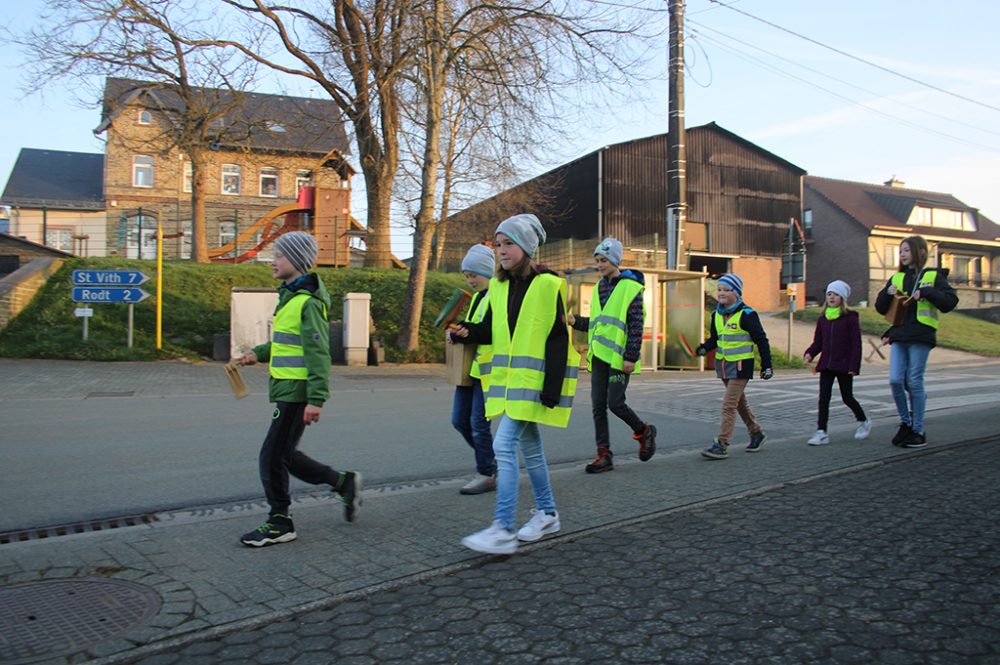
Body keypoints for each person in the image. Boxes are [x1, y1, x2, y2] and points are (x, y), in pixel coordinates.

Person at [450, 213, 580, 554]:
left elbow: (556, 337)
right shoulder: (499, 286)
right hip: (510, 384)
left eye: (509, 244)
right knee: (531, 450)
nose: (502, 250)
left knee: (503, 447)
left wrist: (551, 387)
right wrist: (468, 332)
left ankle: (503, 528)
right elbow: (492, 328)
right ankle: (548, 513)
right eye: (499, 244)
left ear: (527, 247)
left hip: (534, 384)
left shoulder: (549, 284)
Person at [237, 231, 361, 547]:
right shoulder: (290, 298)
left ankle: (280, 521)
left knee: (271, 456)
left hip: (298, 392)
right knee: (284, 455)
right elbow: (285, 343)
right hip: (286, 389)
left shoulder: (307, 302)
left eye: (279, 255)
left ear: (297, 260)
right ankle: (343, 482)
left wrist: (316, 399)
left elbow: (318, 353)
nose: (273, 261)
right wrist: (258, 353)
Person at [567, 237, 656, 473]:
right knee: (598, 406)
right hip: (598, 358)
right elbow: (598, 323)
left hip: (618, 360)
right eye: (597, 260)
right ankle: (603, 455)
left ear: (615, 260)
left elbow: (636, 325)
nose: (599, 264)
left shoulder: (630, 288)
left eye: (603, 260)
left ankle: (644, 431)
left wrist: (631, 357)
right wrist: (576, 322)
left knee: (615, 403)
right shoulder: (599, 287)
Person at [874, 235, 957, 448]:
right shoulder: (897, 278)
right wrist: (887, 293)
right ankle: (906, 422)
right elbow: (881, 307)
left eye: (906, 250)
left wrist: (927, 292)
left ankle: (918, 430)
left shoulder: (932, 276)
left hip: (921, 335)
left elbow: (949, 302)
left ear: (920, 252)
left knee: (913, 380)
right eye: (900, 251)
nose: (901, 254)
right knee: (895, 380)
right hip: (900, 336)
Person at [695, 273, 773, 460]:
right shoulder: (716, 315)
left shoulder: (747, 315)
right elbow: (716, 338)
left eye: (726, 290)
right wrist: (705, 348)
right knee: (739, 403)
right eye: (719, 289)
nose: (721, 293)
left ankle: (722, 444)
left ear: (736, 293)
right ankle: (756, 433)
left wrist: (767, 365)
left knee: (728, 405)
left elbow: (761, 340)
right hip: (723, 366)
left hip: (741, 366)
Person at [451, 244, 497, 494]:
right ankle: (490, 462)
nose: (469, 280)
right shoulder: (480, 297)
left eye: (473, 275)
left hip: (489, 371)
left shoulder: (497, 295)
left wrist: (464, 334)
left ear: (487, 272)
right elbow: (474, 326)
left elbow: (490, 330)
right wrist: (459, 330)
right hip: (472, 370)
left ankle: (487, 472)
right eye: (467, 275)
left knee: (478, 423)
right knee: (459, 420)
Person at [802, 280, 870, 445]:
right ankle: (822, 432)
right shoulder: (823, 319)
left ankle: (864, 421)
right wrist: (810, 353)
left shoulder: (850, 319)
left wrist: (854, 366)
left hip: (844, 364)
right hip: (826, 364)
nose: (832, 297)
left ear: (843, 298)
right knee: (823, 398)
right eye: (829, 294)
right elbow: (818, 341)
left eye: (836, 294)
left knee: (847, 397)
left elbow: (856, 345)